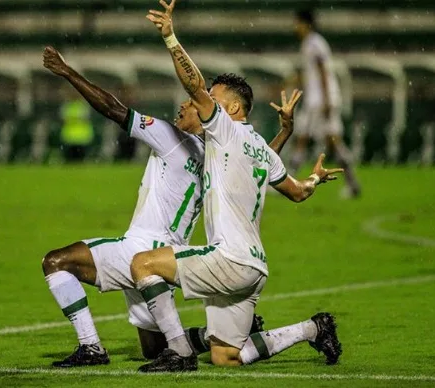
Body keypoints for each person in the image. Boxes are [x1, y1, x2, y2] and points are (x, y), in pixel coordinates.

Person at [41, 46, 295, 367]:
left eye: (191, 104)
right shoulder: (220, 159)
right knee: (152, 348)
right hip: (169, 257)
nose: (184, 105)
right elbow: (261, 162)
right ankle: (207, 337)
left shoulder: (169, 136)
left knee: (56, 262)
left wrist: (67, 72)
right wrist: (284, 133)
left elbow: (113, 109)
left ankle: (91, 347)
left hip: (140, 252)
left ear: (205, 116)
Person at [129, 0, 343, 373]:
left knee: (142, 263)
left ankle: (178, 352)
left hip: (228, 258)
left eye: (214, 97)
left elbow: (193, 85)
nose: (205, 100)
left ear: (230, 109)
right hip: (255, 267)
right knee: (226, 357)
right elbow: (297, 191)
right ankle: (312, 328)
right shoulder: (259, 145)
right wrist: (313, 176)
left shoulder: (223, 129)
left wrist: (171, 39)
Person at [290, 10, 361, 198]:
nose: (295, 27)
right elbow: (311, 73)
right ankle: (352, 184)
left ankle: (289, 182)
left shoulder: (314, 43)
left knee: (304, 138)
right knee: (331, 142)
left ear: (307, 24)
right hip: (318, 99)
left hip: (320, 100)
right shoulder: (310, 43)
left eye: (298, 23)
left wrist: (327, 100)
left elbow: (322, 72)